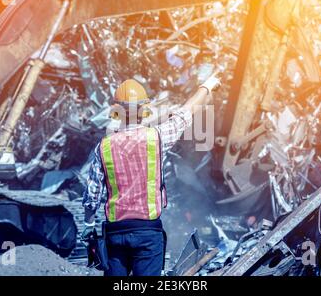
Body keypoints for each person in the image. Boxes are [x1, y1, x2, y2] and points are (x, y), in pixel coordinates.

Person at [81, 76, 220, 276]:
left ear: (116, 112)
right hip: (148, 234)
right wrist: (207, 86)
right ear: (145, 111)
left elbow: (92, 194)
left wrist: (88, 224)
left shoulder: (104, 147)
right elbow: (186, 113)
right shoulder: (157, 138)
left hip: (115, 234)